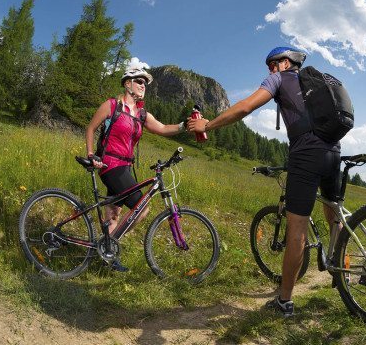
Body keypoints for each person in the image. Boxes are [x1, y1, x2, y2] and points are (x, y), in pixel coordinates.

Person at [188, 47, 342, 317]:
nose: (269, 70)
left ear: (284, 63)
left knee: (297, 230)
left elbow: (246, 106)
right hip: (333, 151)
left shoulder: (279, 79)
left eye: (272, 65)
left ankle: (284, 302)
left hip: (306, 154)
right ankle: (339, 267)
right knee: (334, 212)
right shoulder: (314, 85)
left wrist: (208, 126)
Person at [85, 64, 186, 272]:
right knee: (142, 208)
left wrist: (186, 125)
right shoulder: (112, 105)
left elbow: (163, 128)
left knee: (113, 215)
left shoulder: (141, 114)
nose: (143, 86)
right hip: (110, 164)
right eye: (140, 81)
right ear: (127, 83)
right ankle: (106, 246)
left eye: (145, 83)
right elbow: (91, 128)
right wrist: (90, 154)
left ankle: (107, 258)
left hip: (125, 167)